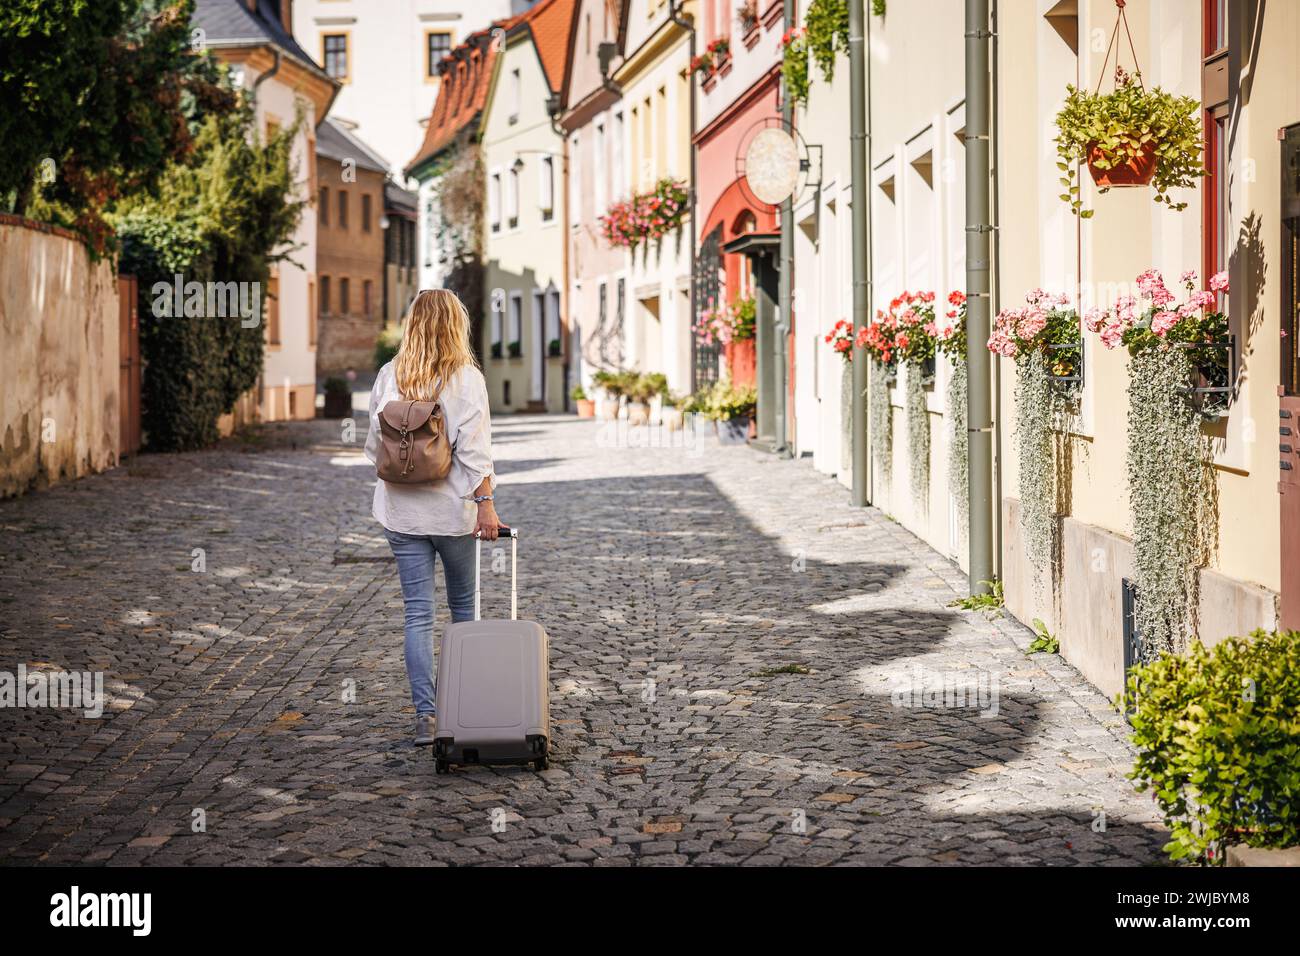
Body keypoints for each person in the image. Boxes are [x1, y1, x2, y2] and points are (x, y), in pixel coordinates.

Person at [364, 289, 504, 746]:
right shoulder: (466, 378)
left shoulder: (390, 375)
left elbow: (373, 447)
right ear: (455, 326)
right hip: (454, 513)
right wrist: (486, 506)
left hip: (401, 513)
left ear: (412, 325)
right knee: (464, 609)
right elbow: (476, 454)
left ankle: (425, 716)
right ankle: (461, 707)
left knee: (418, 615)